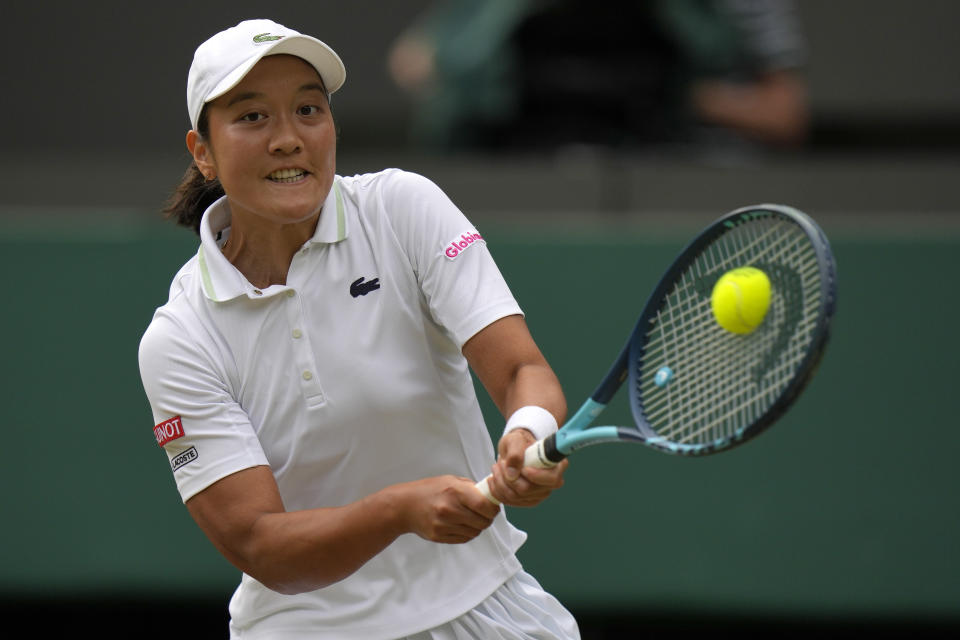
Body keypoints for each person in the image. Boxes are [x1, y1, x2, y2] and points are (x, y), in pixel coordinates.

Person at [137, 18, 580, 640]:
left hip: (485, 606)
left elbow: (520, 371)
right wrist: (399, 511)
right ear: (202, 151)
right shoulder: (180, 338)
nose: (289, 139)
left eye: (308, 109)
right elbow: (260, 544)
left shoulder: (404, 208)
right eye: (253, 117)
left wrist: (529, 432)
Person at [387, 0, 809, 152]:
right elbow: (411, 62)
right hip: (531, 175)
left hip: (693, 173)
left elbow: (784, 115)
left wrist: (679, 96)